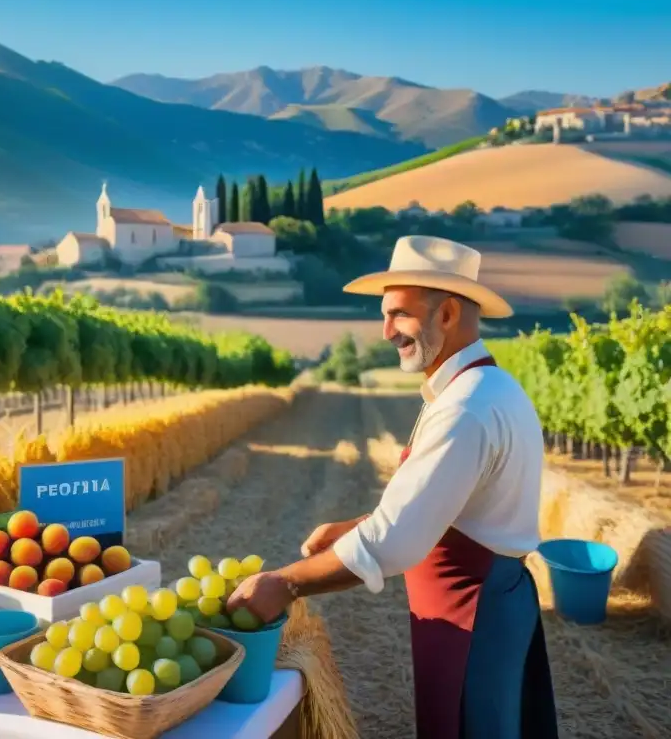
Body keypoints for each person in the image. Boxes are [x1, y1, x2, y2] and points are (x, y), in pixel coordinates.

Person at [227, 235, 559, 739]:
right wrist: (353, 526)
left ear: (447, 313)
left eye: (399, 314)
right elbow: (444, 507)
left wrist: (287, 583)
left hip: (473, 614)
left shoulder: (465, 408)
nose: (386, 331)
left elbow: (393, 542)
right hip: (491, 602)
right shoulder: (489, 388)